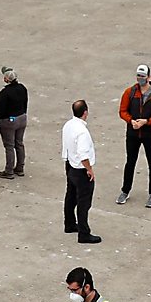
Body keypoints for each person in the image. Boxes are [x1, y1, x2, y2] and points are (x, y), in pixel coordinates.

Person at [117, 65, 151, 209]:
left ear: (148, 77)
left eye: (143, 76)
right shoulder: (130, 93)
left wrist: (146, 122)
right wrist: (131, 121)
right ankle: (125, 191)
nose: (140, 79)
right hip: (133, 133)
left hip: (150, 135)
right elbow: (122, 111)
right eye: (138, 76)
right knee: (130, 162)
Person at [61, 99, 98, 243]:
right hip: (80, 170)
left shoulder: (68, 125)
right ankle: (84, 233)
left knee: (70, 196)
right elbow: (83, 155)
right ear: (85, 112)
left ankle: (69, 224)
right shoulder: (82, 132)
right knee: (84, 202)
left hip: (70, 164)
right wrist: (89, 169)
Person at [0, 66, 28, 179]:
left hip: (9, 121)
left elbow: (0, 110)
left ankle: (9, 171)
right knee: (19, 143)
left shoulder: (5, 93)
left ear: (6, 79)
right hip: (22, 118)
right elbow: (25, 103)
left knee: (9, 146)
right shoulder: (22, 88)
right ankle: (20, 168)